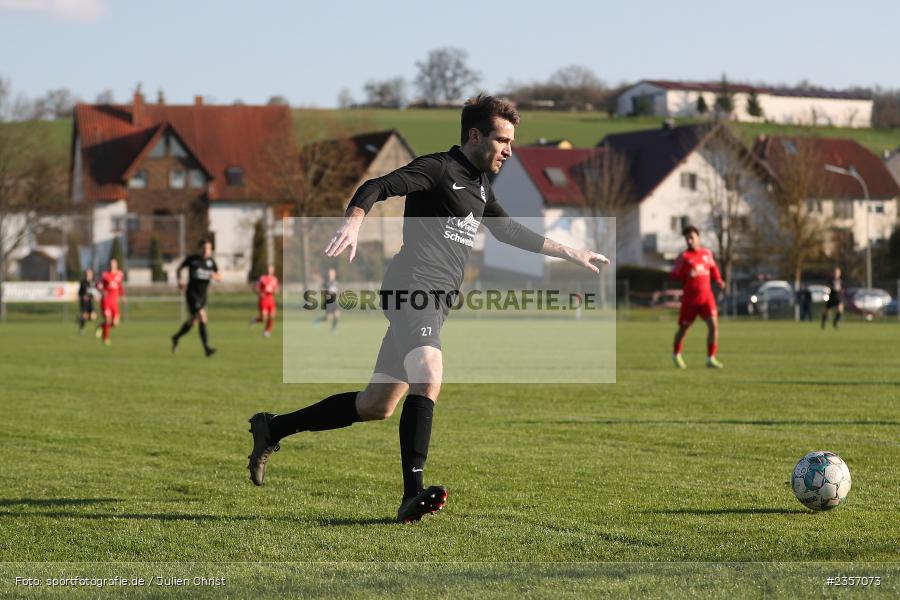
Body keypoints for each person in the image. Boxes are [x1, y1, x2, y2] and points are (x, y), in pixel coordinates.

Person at [246, 94, 610, 524]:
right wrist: (354, 220)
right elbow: (377, 186)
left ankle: (273, 428)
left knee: (375, 406)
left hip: (435, 304)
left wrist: (572, 252)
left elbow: (508, 230)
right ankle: (411, 494)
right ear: (475, 136)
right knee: (430, 374)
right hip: (411, 290)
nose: (509, 151)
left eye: (511, 142)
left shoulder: (478, 186)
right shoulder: (438, 169)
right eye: (502, 140)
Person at [669, 225, 725, 369]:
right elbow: (673, 274)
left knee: (714, 325)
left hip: (707, 298)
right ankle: (676, 354)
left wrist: (718, 280)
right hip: (690, 301)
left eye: (691, 237)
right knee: (683, 329)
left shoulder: (707, 253)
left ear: (698, 238)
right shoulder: (684, 257)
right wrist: (686, 275)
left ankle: (711, 358)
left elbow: (713, 268)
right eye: (687, 238)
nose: (689, 241)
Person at [171, 239, 221, 356]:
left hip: (203, 296)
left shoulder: (211, 262)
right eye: (204, 248)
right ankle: (207, 348)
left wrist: (214, 276)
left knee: (192, 322)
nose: (206, 251)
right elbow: (179, 268)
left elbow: (219, 276)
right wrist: (180, 279)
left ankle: (176, 337)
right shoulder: (192, 260)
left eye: (208, 248)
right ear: (199, 249)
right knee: (202, 317)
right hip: (192, 294)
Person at [95, 259, 125, 346]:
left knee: (115, 323)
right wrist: (100, 289)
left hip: (114, 301)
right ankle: (105, 338)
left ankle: (101, 326)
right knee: (108, 320)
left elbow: (119, 285)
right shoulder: (105, 275)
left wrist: (122, 295)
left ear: (116, 265)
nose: (112, 265)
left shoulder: (120, 274)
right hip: (106, 300)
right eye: (111, 264)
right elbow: (98, 284)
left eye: (114, 264)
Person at [251, 264, 280, 338]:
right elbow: (256, 288)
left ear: (273, 270)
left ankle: (267, 331)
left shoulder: (274, 279)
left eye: (271, 269)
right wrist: (260, 293)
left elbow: (277, 289)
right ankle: (255, 320)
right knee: (264, 318)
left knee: (272, 316)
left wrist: (276, 291)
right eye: (268, 269)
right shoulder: (262, 278)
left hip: (271, 299)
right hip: (263, 300)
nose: (269, 270)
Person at [312, 267, 341, 333]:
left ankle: (333, 329)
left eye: (333, 273)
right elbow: (321, 290)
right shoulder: (326, 282)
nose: (332, 274)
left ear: (335, 274)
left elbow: (337, 290)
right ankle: (318, 320)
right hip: (328, 302)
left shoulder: (336, 282)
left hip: (334, 301)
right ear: (328, 274)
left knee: (337, 314)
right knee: (329, 318)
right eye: (330, 273)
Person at [77, 268, 97, 335]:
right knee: (85, 315)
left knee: (93, 317)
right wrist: (83, 296)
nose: (89, 274)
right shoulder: (83, 282)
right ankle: (82, 329)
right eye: (88, 273)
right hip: (84, 303)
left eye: (90, 273)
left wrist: (95, 296)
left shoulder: (93, 282)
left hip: (90, 303)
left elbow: (95, 292)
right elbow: (79, 293)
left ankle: (80, 319)